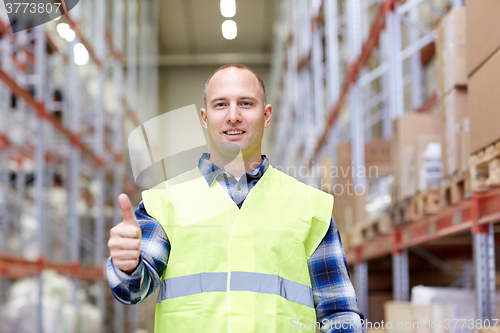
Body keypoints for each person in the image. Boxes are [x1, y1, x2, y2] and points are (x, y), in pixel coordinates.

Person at [107, 64, 364, 332]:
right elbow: (132, 290)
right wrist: (128, 265)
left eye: (245, 103)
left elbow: (339, 313)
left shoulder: (310, 207)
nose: (233, 116)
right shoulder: (165, 202)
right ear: (204, 119)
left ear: (266, 115)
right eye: (221, 105)